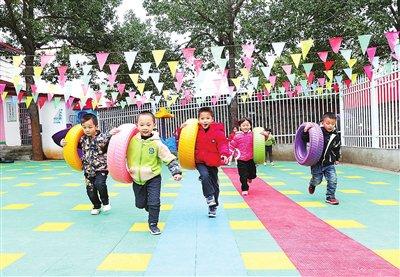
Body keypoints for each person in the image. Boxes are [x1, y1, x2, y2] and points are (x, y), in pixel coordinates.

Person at [127, 111, 182, 235]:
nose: (145, 127)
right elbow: (116, 148)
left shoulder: (157, 143)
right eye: (141, 125)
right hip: (136, 178)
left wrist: (176, 172)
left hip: (153, 177)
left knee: (154, 202)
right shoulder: (131, 141)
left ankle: (153, 224)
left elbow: (168, 157)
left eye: (148, 124)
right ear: (137, 125)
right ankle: (149, 207)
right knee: (140, 204)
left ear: (154, 125)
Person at [61, 113, 118, 215]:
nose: (87, 130)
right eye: (84, 127)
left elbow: (108, 137)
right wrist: (63, 143)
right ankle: (96, 205)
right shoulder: (82, 139)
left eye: (90, 127)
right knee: (90, 190)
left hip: (101, 168)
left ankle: (105, 202)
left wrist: (112, 132)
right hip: (88, 169)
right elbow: (70, 143)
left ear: (96, 127)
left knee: (100, 184)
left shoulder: (102, 137)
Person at [180, 107, 230, 218]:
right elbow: (183, 140)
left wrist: (224, 154)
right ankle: (209, 197)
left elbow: (222, 144)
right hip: (200, 161)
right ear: (198, 120)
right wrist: (181, 129)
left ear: (212, 119)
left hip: (213, 161)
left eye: (207, 118)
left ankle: (213, 206)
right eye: (202, 118)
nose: (205, 120)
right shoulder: (194, 131)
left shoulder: (218, 132)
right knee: (204, 175)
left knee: (215, 186)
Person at [302, 112, 341, 205]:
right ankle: (312, 184)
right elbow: (305, 139)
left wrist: (337, 158)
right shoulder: (316, 132)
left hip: (329, 163)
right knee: (317, 180)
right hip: (317, 162)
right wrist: (305, 130)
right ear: (322, 122)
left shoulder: (335, 135)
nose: (330, 125)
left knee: (333, 179)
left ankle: (330, 197)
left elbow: (337, 147)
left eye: (333, 123)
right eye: (328, 123)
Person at [229, 118, 259, 196]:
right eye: (243, 125)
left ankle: (250, 177)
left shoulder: (253, 135)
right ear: (240, 126)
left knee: (253, 174)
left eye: (247, 125)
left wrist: (265, 135)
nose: (245, 127)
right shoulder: (237, 136)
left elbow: (261, 141)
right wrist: (228, 154)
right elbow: (232, 146)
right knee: (243, 175)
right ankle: (244, 188)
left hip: (250, 158)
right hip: (241, 159)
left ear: (250, 126)